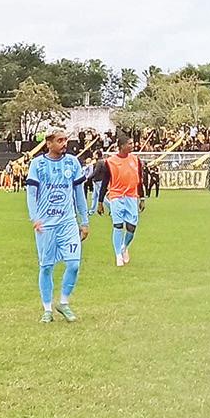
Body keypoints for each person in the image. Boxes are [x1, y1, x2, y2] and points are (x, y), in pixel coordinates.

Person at [26, 127, 90, 323]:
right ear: (49, 143)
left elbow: (79, 193)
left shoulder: (72, 162)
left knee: (74, 264)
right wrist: (35, 218)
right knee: (46, 267)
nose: (64, 144)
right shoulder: (37, 164)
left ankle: (63, 302)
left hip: (68, 222)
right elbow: (31, 194)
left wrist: (84, 221)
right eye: (60, 140)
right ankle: (47, 309)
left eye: (65, 140)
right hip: (46, 224)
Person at [98, 133, 145, 267]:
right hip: (116, 196)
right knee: (118, 225)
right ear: (122, 146)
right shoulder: (110, 162)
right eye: (129, 144)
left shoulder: (136, 160)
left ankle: (124, 246)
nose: (132, 145)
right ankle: (118, 255)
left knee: (131, 227)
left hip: (131, 197)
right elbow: (105, 182)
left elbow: (139, 180)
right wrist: (100, 202)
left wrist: (142, 198)